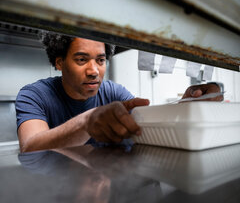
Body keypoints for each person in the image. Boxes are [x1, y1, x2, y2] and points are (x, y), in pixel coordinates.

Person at [15, 33, 222, 153]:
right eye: (81, 59)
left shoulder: (113, 91)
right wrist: (86, 122)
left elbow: (145, 122)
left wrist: (185, 107)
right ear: (59, 62)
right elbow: (30, 146)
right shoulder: (34, 95)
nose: (94, 70)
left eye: (100, 60)